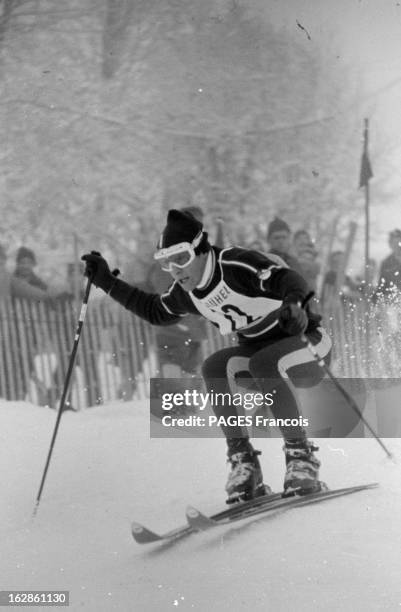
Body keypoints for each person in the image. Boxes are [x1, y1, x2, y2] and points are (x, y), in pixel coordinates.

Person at [82, 209, 332, 503]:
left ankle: (301, 459)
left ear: (201, 250)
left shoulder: (234, 264)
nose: (175, 269)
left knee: (265, 362)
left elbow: (288, 278)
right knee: (215, 366)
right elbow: (153, 310)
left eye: (181, 258)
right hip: (259, 356)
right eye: (167, 262)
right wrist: (107, 282)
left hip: (306, 346)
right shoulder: (187, 291)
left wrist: (294, 305)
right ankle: (244, 464)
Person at [377, 229, 401, 297]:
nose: (398, 246)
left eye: (399, 242)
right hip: (394, 302)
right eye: (395, 243)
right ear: (390, 244)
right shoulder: (386, 264)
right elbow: (382, 287)